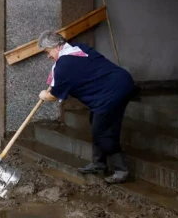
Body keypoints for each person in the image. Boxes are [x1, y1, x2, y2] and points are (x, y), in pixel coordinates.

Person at [37, 31, 134, 184]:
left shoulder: (64, 65)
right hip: (119, 82)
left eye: (47, 52)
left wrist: (44, 95)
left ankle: (121, 170)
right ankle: (99, 163)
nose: (47, 56)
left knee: (102, 131)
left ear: (56, 47)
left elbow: (53, 95)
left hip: (111, 92)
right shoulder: (77, 49)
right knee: (95, 121)